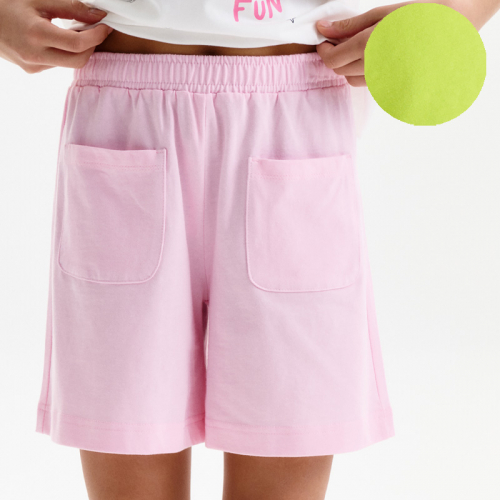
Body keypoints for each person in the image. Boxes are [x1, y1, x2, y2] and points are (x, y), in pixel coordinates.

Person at [1, 1, 497, 499]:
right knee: (128, 442)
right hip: (127, 113)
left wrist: (454, 14)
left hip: (293, 112)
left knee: (286, 439)